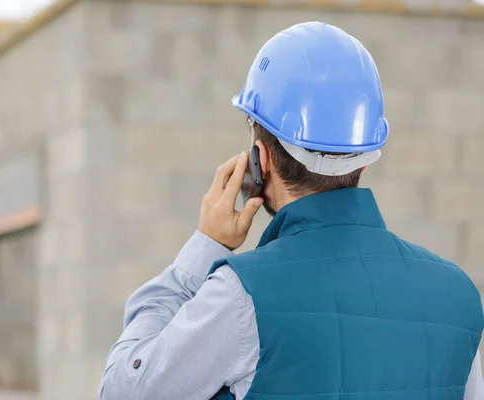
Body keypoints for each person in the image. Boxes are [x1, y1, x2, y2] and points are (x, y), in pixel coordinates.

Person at [99, 22, 484, 400]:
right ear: (364, 159)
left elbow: (124, 391)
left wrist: (204, 250)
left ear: (260, 158)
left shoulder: (240, 297)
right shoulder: (458, 296)